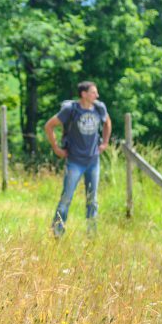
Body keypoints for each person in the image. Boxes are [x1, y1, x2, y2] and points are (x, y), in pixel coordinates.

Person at [44, 81, 112, 237]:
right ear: (84, 94)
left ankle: (92, 234)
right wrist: (56, 148)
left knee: (92, 200)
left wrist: (105, 142)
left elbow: (108, 122)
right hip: (75, 161)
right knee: (67, 198)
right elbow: (49, 125)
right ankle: (57, 232)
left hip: (93, 161)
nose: (97, 95)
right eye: (93, 92)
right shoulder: (71, 109)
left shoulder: (99, 108)